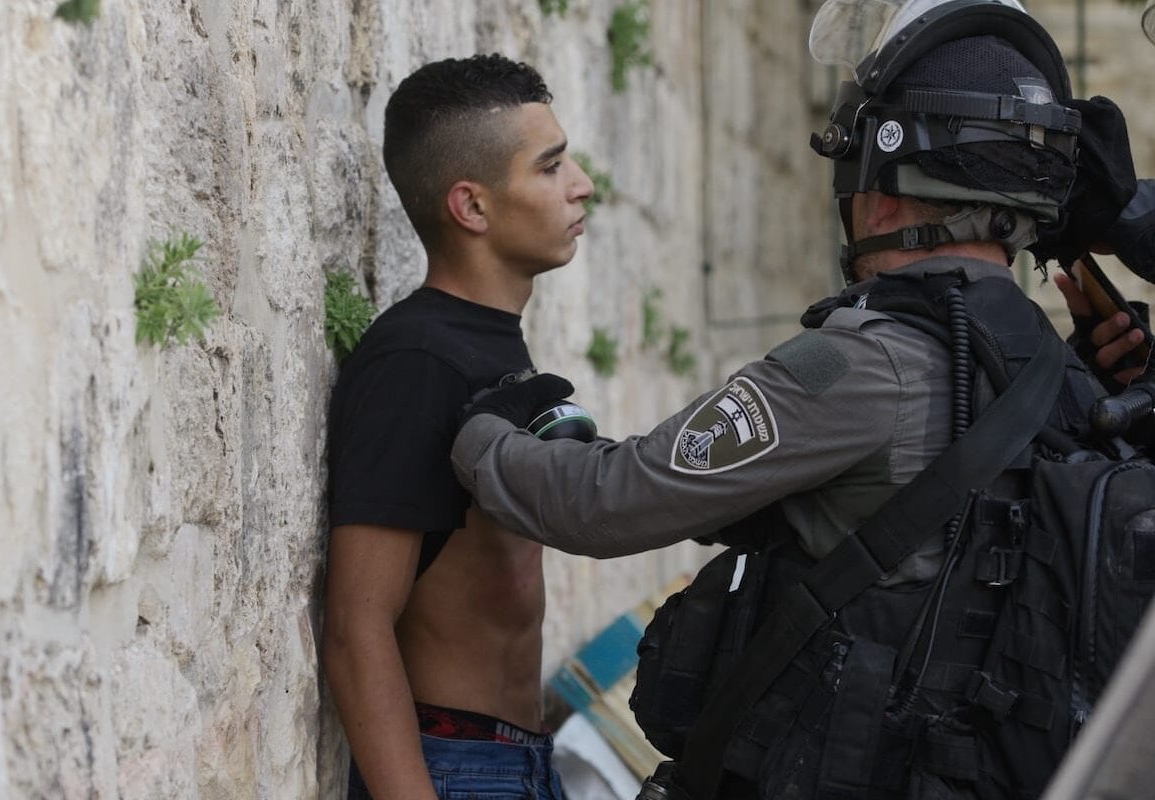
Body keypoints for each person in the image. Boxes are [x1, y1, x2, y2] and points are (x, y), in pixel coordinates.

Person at [450, 2, 1151, 797]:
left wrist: (479, 429)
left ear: (879, 188)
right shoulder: (1076, 381)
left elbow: (606, 501)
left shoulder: (857, 365)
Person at [322, 53, 593, 800]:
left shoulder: (488, 339)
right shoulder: (417, 361)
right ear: (471, 208)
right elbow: (356, 625)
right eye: (550, 168)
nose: (581, 185)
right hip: (455, 769)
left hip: (518, 762)